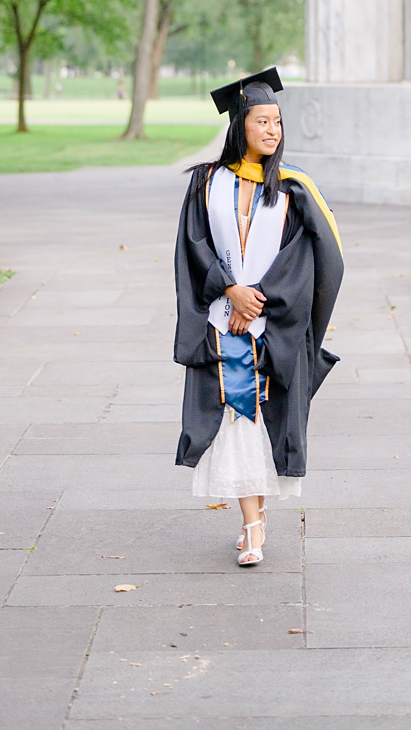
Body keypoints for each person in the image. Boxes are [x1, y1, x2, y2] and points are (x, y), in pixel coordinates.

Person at [173, 69, 345, 566]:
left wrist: (263, 299)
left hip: (274, 325)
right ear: (239, 126)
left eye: (277, 122)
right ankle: (252, 524)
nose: (272, 130)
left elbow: (318, 258)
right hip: (221, 318)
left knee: (260, 421)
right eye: (262, 121)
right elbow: (193, 244)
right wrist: (229, 289)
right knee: (235, 423)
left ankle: (255, 519)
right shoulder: (207, 181)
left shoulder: (295, 188)